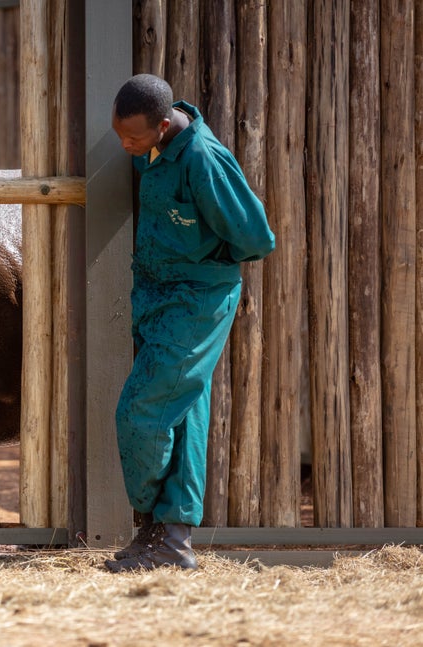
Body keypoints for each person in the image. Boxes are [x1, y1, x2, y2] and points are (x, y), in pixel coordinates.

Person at [105, 74, 275, 572]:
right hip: (156, 299)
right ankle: (170, 540)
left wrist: (204, 263)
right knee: (182, 414)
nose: (125, 147)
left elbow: (256, 239)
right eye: (120, 135)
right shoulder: (154, 144)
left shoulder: (203, 158)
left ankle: (152, 522)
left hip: (195, 302)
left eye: (133, 138)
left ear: (162, 126)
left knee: (141, 412)